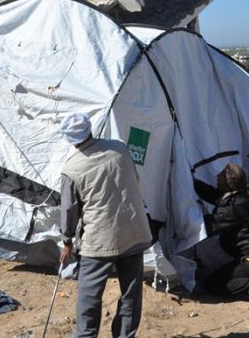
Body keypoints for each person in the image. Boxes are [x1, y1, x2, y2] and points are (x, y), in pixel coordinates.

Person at [59, 113, 152, 338]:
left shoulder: (71, 168)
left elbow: (69, 211)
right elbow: (134, 180)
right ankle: (124, 335)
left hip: (100, 240)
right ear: (90, 129)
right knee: (131, 293)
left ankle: (86, 335)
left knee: (89, 295)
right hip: (134, 230)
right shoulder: (119, 149)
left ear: (70, 139)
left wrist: (67, 240)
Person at [193, 163, 249, 310]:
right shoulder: (245, 194)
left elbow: (208, 227)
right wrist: (193, 183)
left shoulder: (231, 208)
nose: (217, 177)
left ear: (227, 184)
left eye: (220, 176)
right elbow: (216, 197)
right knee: (224, 245)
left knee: (213, 285)